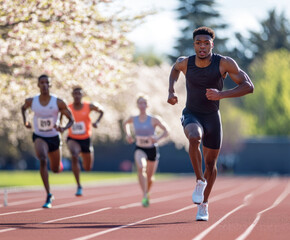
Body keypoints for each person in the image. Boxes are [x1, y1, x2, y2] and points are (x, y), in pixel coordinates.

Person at [167, 26, 254, 221]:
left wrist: (221, 94)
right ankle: (199, 181)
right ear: (194, 45)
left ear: (212, 44)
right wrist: (171, 91)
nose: (202, 47)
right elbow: (174, 69)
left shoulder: (224, 63)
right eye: (199, 43)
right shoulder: (185, 63)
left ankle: (204, 205)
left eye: (206, 43)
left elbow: (249, 86)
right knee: (194, 137)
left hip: (212, 117)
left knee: (211, 164)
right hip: (192, 113)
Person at [21, 74, 74, 208]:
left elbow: (71, 119)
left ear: (50, 85)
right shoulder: (32, 101)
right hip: (39, 136)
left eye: (47, 83)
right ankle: (48, 194)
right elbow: (23, 108)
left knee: (55, 169)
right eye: (42, 83)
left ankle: (58, 165)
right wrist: (25, 121)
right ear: (38, 85)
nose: (44, 85)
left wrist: (63, 127)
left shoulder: (58, 102)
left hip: (54, 137)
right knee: (43, 159)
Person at [123, 95, 169, 207]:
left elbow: (167, 131)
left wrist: (157, 138)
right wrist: (128, 135)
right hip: (140, 148)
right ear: (137, 105)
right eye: (140, 103)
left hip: (152, 149)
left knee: (150, 177)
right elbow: (125, 123)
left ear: (147, 105)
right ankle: (144, 194)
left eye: (144, 103)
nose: (142, 105)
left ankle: (147, 191)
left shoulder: (154, 119)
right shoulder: (133, 118)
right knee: (140, 167)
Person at [66, 86, 104, 196]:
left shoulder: (89, 106)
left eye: (79, 94)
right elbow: (59, 114)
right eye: (75, 93)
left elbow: (101, 111)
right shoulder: (68, 107)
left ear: (83, 95)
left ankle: (84, 154)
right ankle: (78, 185)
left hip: (85, 139)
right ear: (72, 95)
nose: (77, 96)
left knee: (87, 168)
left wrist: (97, 122)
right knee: (74, 154)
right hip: (73, 138)